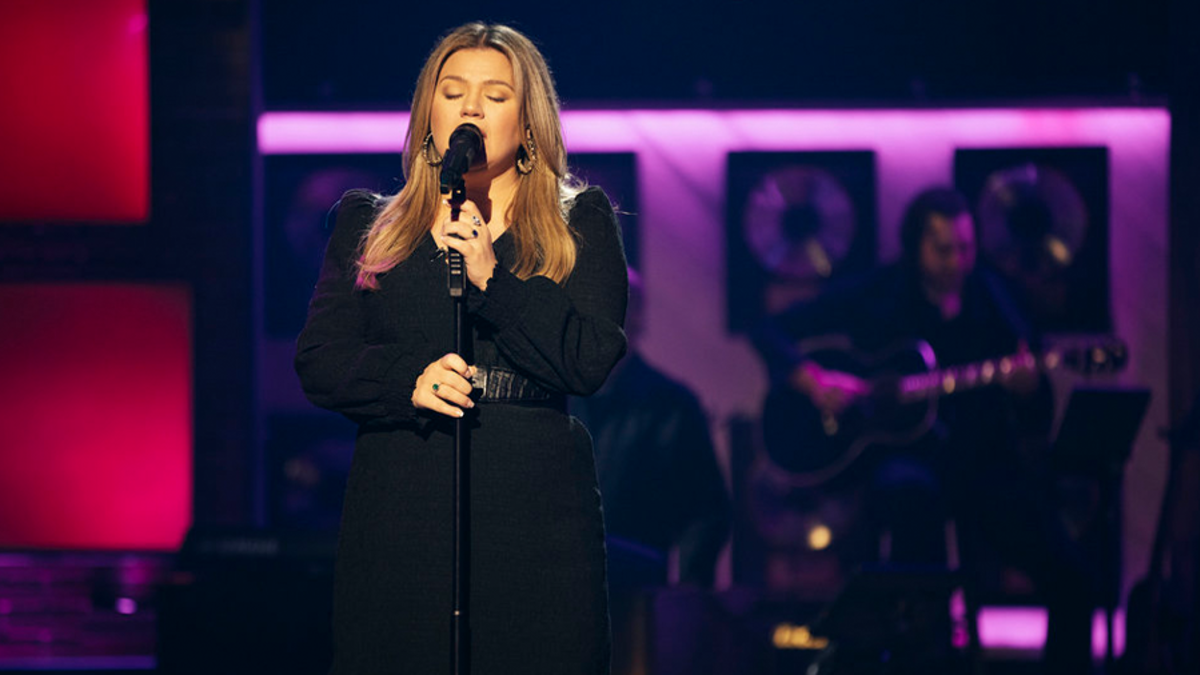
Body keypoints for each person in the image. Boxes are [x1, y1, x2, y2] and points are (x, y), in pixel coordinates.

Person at [294, 23, 628, 675]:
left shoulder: (579, 221)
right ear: (429, 115)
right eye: (452, 93)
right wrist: (405, 381)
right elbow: (321, 357)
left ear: (528, 125)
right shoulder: (370, 224)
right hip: (403, 498)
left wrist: (493, 281)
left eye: (495, 95)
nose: (471, 108)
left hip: (533, 507)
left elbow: (589, 357)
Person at [753, 187, 1097, 674]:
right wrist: (814, 381)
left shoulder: (996, 298)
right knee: (910, 502)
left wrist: (1027, 390)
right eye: (944, 249)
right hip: (905, 462)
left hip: (982, 463)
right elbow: (769, 329)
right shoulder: (879, 292)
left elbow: (1036, 412)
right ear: (914, 247)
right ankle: (922, 651)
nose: (958, 262)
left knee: (1073, 575)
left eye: (966, 248)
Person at [572, 268, 730, 590]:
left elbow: (705, 511)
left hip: (636, 594)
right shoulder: (550, 396)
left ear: (637, 317)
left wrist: (684, 593)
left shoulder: (674, 405)